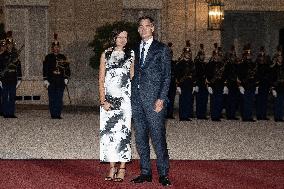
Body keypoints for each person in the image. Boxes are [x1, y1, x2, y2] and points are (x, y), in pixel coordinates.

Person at [131, 16, 171, 187]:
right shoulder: (133, 49)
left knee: (158, 138)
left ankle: (163, 174)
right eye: (141, 26)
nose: (144, 29)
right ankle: (145, 172)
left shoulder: (162, 49)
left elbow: (167, 76)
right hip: (136, 101)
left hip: (155, 101)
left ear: (153, 28)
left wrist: (161, 98)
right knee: (140, 139)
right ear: (138, 29)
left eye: (147, 26)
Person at [98, 28, 134, 182]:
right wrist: (102, 100)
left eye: (125, 37)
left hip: (125, 101)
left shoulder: (131, 54)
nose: (123, 39)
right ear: (114, 38)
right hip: (109, 100)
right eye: (120, 37)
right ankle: (112, 167)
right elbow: (101, 79)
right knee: (110, 134)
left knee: (124, 134)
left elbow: (133, 77)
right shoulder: (105, 54)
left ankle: (122, 168)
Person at [43, 33, 70, 119]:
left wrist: (66, 78)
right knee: (52, 98)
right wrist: (45, 80)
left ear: (59, 48)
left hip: (60, 81)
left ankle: (58, 114)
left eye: (57, 47)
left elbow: (67, 69)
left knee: (59, 98)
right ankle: (53, 114)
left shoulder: (63, 57)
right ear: (52, 48)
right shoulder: (48, 57)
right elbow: (45, 69)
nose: (56, 48)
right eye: (54, 47)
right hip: (51, 81)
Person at [1, 31, 22, 118]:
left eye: (11, 44)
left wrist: (19, 79)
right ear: (6, 45)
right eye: (8, 44)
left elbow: (18, 67)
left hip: (13, 78)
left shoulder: (15, 56)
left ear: (13, 45)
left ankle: (11, 113)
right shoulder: (2, 56)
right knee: (5, 97)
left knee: (12, 97)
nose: (9, 46)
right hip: (5, 79)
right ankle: (6, 113)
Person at [237, 44, 257, 122]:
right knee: (245, 102)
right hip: (245, 85)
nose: (249, 56)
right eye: (247, 55)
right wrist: (240, 86)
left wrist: (256, 85)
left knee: (251, 102)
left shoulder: (253, 64)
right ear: (244, 56)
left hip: (251, 85)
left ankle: (249, 116)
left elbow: (255, 75)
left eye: (250, 55)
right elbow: (238, 76)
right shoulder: (241, 65)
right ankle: (245, 116)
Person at [176, 47, 196, 121]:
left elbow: (194, 75)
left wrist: (194, 85)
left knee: (188, 100)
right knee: (182, 101)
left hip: (190, 84)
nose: (188, 54)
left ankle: (186, 115)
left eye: (189, 53)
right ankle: (182, 116)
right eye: (187, 53)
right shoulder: (180, 63)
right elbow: (177, 75)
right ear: (184, 54)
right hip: (182, 84)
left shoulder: (192, 63)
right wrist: (178, 85)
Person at [255, 46, 272, 120]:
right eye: (261, 51)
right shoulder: (257, 64)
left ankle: (263, 115)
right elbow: (256, 74)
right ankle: (259, 115)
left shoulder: (267, 63)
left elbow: (269, 73)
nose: (262, 53)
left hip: (265, 84)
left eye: (263, 51)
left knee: (265, 100)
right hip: (259, 84)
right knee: (259, 100)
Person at [194, 44, 209, 119]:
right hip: (199, 84)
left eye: (204, 55)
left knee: (204, 99)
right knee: (199, 100)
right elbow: (195, 74)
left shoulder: (205, 64)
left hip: (204, 84)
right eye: (201, 55)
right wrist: (196, 84)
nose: (203, 56)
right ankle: (199, 115)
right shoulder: (196, 64)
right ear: (199, 56)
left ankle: (203, 114)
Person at [271, 45, 284, 122]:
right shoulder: (274, 68)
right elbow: (272, 79)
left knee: (282, 103)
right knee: (277, 102)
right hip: (276, 86)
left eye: (281, 57)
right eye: (279, 58)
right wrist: (272, 88)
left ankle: (280, 117)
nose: (280, 59)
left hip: (283, 86)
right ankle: (277, 117)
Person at [166, 42, 176, 119]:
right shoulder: (163, 63)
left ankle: (170, 114)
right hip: (166, 84)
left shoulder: (174, 63)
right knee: (165, 99)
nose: (170, 55)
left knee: (172, 99)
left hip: (172, 84)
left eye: (171, 54)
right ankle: (165, 113)